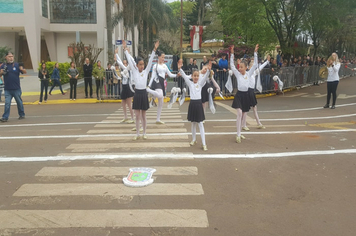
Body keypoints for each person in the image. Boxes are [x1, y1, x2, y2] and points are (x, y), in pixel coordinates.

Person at [123, 40, 158, 140]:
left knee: (143, 115)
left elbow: (151, 60)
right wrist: (125, 50)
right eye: (140, 64)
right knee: (137, 115)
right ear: (137, 65)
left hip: (143, 94)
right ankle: (137, 133)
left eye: (143, 64)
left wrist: (154, 49)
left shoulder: (146, 71)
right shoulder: (134, 71)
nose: (142, 66)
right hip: (137, 93)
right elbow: (129, 61)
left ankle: (144, 132)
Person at [178, 61, 211, 151]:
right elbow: (184, 76)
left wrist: (208, 70)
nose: (196, 77)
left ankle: (204, 143)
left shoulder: (200, 84)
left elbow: (205, 78)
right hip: (192, 104)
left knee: (200, 123)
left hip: (198, 104)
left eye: (197, 76)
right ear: (192, 77)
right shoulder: (190, 84)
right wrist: (180, 69)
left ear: (199, 77)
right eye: (194, 76)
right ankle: (194, 139)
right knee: (193, 123)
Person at [230, 44, 259, 143]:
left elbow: (255, 65)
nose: (240, 69)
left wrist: (255, 53)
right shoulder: (238, 74)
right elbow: (232, 66)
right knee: (239, 113)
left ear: (246, 68)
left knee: (243, 115)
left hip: (246, 95)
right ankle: (238, 134)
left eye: (242, 67)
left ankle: (240, 132)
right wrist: (232, 54)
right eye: (239, 67)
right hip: (239, 95)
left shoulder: (248, 74)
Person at [147, 50, 178, 124]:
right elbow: (152, 76)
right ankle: (148, 90)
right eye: (162, 57)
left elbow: (170, 74)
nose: (163, 58)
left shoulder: (165, 66)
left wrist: (177, 75)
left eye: (164, 57)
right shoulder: (155, 65)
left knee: (161, 102)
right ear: (158, 57)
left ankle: (158, 119)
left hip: (162, 82)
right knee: (160, 95)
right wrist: (149, 85)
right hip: (156, 81)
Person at [242, 55, 270, 131]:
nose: (254, 67)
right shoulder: (248, 73)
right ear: (249, 66)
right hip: (247, 92)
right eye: (253, 65)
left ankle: (258, 123)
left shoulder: (254, 73)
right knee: (246, 109)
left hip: (251, 92)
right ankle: (244, 125)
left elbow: (260, 68)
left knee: (254, 108)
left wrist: (267, 61)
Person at [0, 52, 26, 122]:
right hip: (7, 89)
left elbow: (24, 71)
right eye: (9, 56)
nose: (11, 58)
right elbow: (0, 74)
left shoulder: (17, 65)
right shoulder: (3, 65)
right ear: (6, 57)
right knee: (7, 103)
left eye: (12, 56)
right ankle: (5, 117)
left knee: (19, 102)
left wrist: (21, 69)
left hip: (16, 88)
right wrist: (2, 72)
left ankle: (22, 114)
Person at [115, 52, 135, 124]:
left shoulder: (129, 68)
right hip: (124, 86)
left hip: (129, 86)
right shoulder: (123, 69)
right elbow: (120, 63)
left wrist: (126, 53)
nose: (124, 64)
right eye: (124, 63)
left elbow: (122, 63)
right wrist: (116, 55)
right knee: (123, 102)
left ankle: (132, 117)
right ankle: (125, 116)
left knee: (129, 103)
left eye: (126, 63)